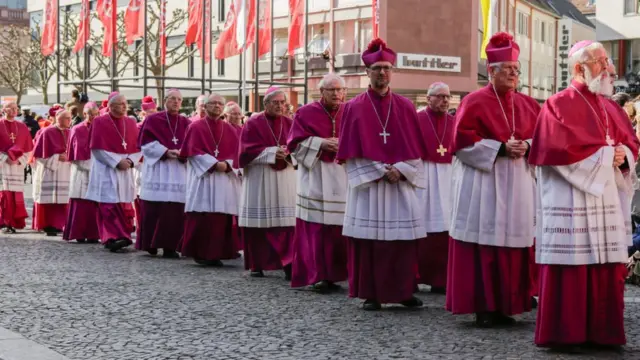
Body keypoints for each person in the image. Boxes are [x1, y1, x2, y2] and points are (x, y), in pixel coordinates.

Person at [529, 40, 640, 349]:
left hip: (605, 197)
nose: (610, 68)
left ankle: (603, 332)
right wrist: (607, 157)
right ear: (580, 68)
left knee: (605, 265)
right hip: (571, 199)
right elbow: (556, 150)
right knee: (572, 266)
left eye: (607, 61)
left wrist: (623, 157)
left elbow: (630, 144)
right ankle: (567, 333)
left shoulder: (611, 106)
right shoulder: (557, 104)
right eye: (602, 61)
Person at [446, 32, 539, 326]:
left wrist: (527, 146)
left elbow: (543, 139)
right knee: (484, 243)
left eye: (516, 69)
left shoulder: (528, 104)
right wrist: (499, 148)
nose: (514, 74)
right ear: (492, 71)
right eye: (508, 69)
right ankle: (484, 306)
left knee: (513, 244)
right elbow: (460, 144)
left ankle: (509, 304)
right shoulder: (473, 102)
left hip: (518, 182)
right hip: (484, 183)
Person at [336, 38, 426, 310]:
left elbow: (416, 149)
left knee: (402, 242)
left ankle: (403, 291)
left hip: (398, 183)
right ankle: (371, 293)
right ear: (367, 72)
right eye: (376, 68)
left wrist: (400, 170)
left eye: (387, 68)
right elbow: (348, 152)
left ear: (392, 71)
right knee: (370, 241)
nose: (382, 73)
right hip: (370, 186)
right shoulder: (353, 107)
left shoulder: (406, 106)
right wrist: (379, 170)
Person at [287, 73, 348, 292]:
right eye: (331, 90)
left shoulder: (349, 111)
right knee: (316, 228)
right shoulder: (305, 113)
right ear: (321, 92)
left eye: (339, 89)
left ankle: (338, 273)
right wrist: (321, 143)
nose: (336, 94)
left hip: (342, 175)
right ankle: (317, 274)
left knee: (338, 228)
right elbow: (293, 144)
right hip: (315, 174)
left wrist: (342, 144)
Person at [238, 86, 296, 279]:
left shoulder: (291, 123)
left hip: (285, 178)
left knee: (286, 223)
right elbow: (245, 151)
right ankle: (258, 264)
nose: (280, 106)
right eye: (275, 102)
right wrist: (272, 152)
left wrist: (289, 154)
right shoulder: (253, 123)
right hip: (260, 178)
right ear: (265, 103)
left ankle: (288, 263)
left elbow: (298, 147)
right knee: (259, 222)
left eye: (282, 102)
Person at [180, 94, 242, 266]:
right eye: (213, 103)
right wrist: (214, 164)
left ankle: (220, 252)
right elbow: (192, 152)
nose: (217, 106)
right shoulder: (195, 127)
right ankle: (201, 253)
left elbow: (237, 155)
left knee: (222, 217)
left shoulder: (229, 129)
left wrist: (228, 166)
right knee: (203, 215)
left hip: (223, 179)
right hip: (204, 178)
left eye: (220, 104)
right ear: (205, 107)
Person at [136, 89, 190, 258]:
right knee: (153, 209)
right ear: (164, 100)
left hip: (178, 170)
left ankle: (170, 246)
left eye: (179, 100)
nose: (176, 102)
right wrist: (165, 152)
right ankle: (150, 244)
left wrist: (183, 152)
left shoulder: (186, 122)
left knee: (174, 211)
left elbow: (193, 145)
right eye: (172, 99)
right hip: (158, 169)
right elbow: (144, 144)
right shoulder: (152, 119)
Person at [85, 93, 141, 253]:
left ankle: (119, 235)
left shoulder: (130, 122)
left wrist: (130, 161)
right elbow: (97, 148)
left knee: (122, 204)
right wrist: (116, 162)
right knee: (108, 205)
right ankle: (113, 237)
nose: (124, 106)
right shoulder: (99, 122)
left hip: (125, 169)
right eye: (120, 104)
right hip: (106, 169)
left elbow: (138, 147)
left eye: (125, 103)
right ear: (110, 106)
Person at [416, 82, 455, 294]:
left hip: (448, 176)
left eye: (447, 96)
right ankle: (418, 275)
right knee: (422, 224)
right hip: (424, 174)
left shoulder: (454, 121)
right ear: (428, 98)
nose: (445, 100)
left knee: (446, 226)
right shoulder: (417, 119)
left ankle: (442, 278)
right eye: (439, 96)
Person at [63, 102, 100, 243]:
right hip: (81, 170)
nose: (94, 117)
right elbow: (74, 153)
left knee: (95, 204)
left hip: (98, 170)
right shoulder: (77, 129)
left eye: (97, 114)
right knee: (81, 202)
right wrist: (90, 167)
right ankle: (78, 233)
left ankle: (94, 234)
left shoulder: (101, 128)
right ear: (85, 114)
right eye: (91, 114)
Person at [32, 109, 72, 236]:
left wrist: (69, 157)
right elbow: (38, 155)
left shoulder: (71, 132)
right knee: (49, 200)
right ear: (58, 118)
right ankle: (49, 225)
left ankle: (60, 223)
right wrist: (56, 158)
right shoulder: (46, 132)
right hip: (50, 170)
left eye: (70, 118)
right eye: (66, 118)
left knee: (63, 200)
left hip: (65, 170)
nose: (69, 121)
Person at [0, 102, 33, 233]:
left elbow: (28, 147)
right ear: (4, 109)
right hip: (2, 166)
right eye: (11, 108)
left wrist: (19, 160)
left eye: (16, 108)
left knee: (16, 195)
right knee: (4, 194)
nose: (14, 110)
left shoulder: (22, 126)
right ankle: (4, 221)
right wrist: (5, 158)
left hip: (17, 166)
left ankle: (14, 221)